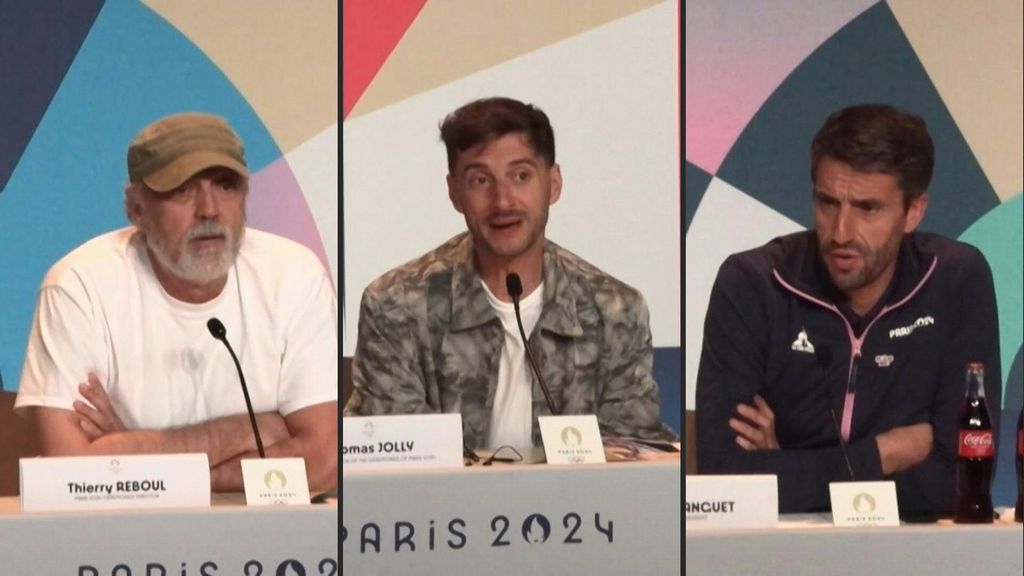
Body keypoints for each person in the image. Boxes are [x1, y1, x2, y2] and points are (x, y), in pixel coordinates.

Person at [695, 104, 1001, 514]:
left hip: (912, 546)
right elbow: (724, 480)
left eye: (867, 208)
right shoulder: (753, 284)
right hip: (779, 544)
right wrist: (885, 453)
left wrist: (786, 469)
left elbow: (960, 484)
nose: (841, 232)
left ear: (914, 211)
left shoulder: (956, 281)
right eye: (827, 203)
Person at [15, 112, 338, 491]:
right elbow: (71, 473)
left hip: (265, 524)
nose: (209, 210)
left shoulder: (294, 274)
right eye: (182, 190)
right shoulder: (78, 285)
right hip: (128, 526)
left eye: (226, 186)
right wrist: (250, 431)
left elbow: (322, 461)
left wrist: (134, 452)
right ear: (136, 209)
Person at [344, 97, 676, 451]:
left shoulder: (616, 312)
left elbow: (631, 455)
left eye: (521, 176)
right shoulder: (395, 307)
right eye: (480, 180)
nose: (502, 201)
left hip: (575, 491)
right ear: (455, 193)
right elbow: (398, 457)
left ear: (554, 183)